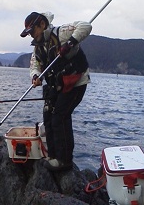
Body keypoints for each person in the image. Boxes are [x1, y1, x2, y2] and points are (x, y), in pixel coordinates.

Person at [20, 12, 92, 171]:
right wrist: (35, 76)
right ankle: (52, 156)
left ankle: (64, 160)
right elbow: (34, 66)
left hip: (76, 83)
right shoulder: (38, 48)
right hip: (57, 86)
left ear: (42, 25)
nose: (32, 35)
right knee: (48, 117)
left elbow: (86, 26)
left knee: (60, 116)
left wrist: (70, 43)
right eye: (29, 33)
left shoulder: (62, 32)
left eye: (33, 31)